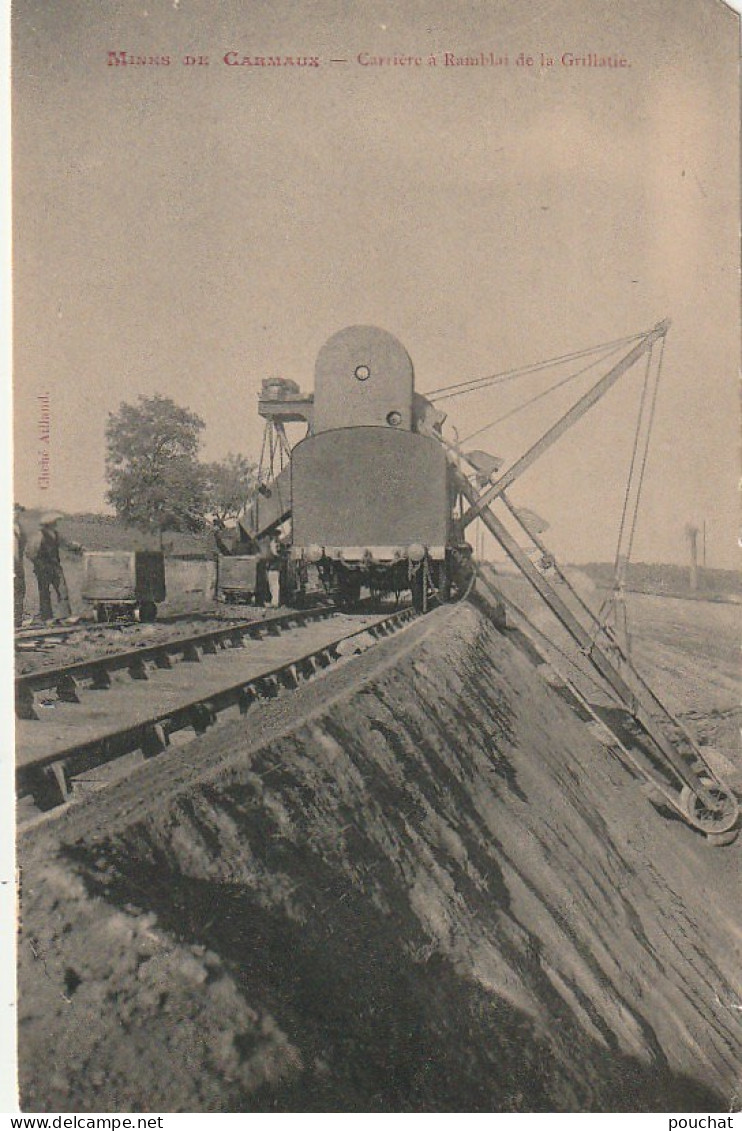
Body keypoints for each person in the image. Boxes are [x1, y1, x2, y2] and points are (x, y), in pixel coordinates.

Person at [25, 512, 81, 623]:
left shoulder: (55, 534)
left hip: (55, 567)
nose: (56, 524)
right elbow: (30, 553)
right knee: (44, 592)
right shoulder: (38, 536)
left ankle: (64, 616)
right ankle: (46, 617)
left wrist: (77, 547)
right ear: (48, 524)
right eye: (54, 522)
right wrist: (39, 564)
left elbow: (66, 544)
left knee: (62, 589)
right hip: (43, 568)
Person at [13, 504, 27, 628]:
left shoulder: (20, 529)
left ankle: (17, 622)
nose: (17, 515)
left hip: (17, 565)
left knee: (19, 591)